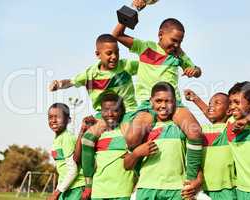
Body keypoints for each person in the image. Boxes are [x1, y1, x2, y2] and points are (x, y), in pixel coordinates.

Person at [113, 17, 203, 184]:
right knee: (132, 139)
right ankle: (139, 173)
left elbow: (198, 70)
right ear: (161, 34)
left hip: (173, 103)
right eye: (174, 40)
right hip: (148, 105)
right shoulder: (144, 47)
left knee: (195, 132)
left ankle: (191, 180)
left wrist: (194, 70)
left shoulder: (179, 55)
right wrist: (134, 9)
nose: (177, 45)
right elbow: (117, 34)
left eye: (180, 41)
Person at [123, 82, 203, 200]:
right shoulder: (144, 130)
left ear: (175, 102)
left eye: (168, 101)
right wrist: (137, 153)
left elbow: (194, 157)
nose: (163, 105)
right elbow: (126, 165)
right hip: (146, 190)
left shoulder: (181, 128)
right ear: (151, 102)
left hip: (177, 190)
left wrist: (197, 179)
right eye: (158, 101)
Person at [81, 93, 157, 200]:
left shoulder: (129, 134)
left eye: (115, 110)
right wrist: (88, 186)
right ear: (101, 112)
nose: (110, 114)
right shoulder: (97, 134)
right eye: (106, 110)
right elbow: (86, 157)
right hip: (98, 192)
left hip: (123, 191)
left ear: (122, 111)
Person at [49, 34, 138, 123]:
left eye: (117, 52)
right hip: (103, 116)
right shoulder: (90, 74)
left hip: (128, 113)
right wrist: (59, 84)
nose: (114, 57)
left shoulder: (126, 66)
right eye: (109, 53)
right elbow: (70, 82)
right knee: (87, 133)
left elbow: (148, 65)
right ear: (98, 54)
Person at [183, 90, 237, 200]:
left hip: (227, 190)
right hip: (202, 190)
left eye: (217, 103)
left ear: (228, 111)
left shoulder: (231, 128)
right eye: (210, 104)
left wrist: (196, 99)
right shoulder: (201, 130)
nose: (211, 106)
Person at [48, 103, 86, 200]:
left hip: (76, 187)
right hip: (66, 187)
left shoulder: (67, 138)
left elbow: (73, 170)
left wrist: (57, 192)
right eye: (50, 117)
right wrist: (57, 190)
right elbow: (63, 170)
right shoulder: (57, 139)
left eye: (58, 117)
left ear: (68, 120)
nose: (53, 120)